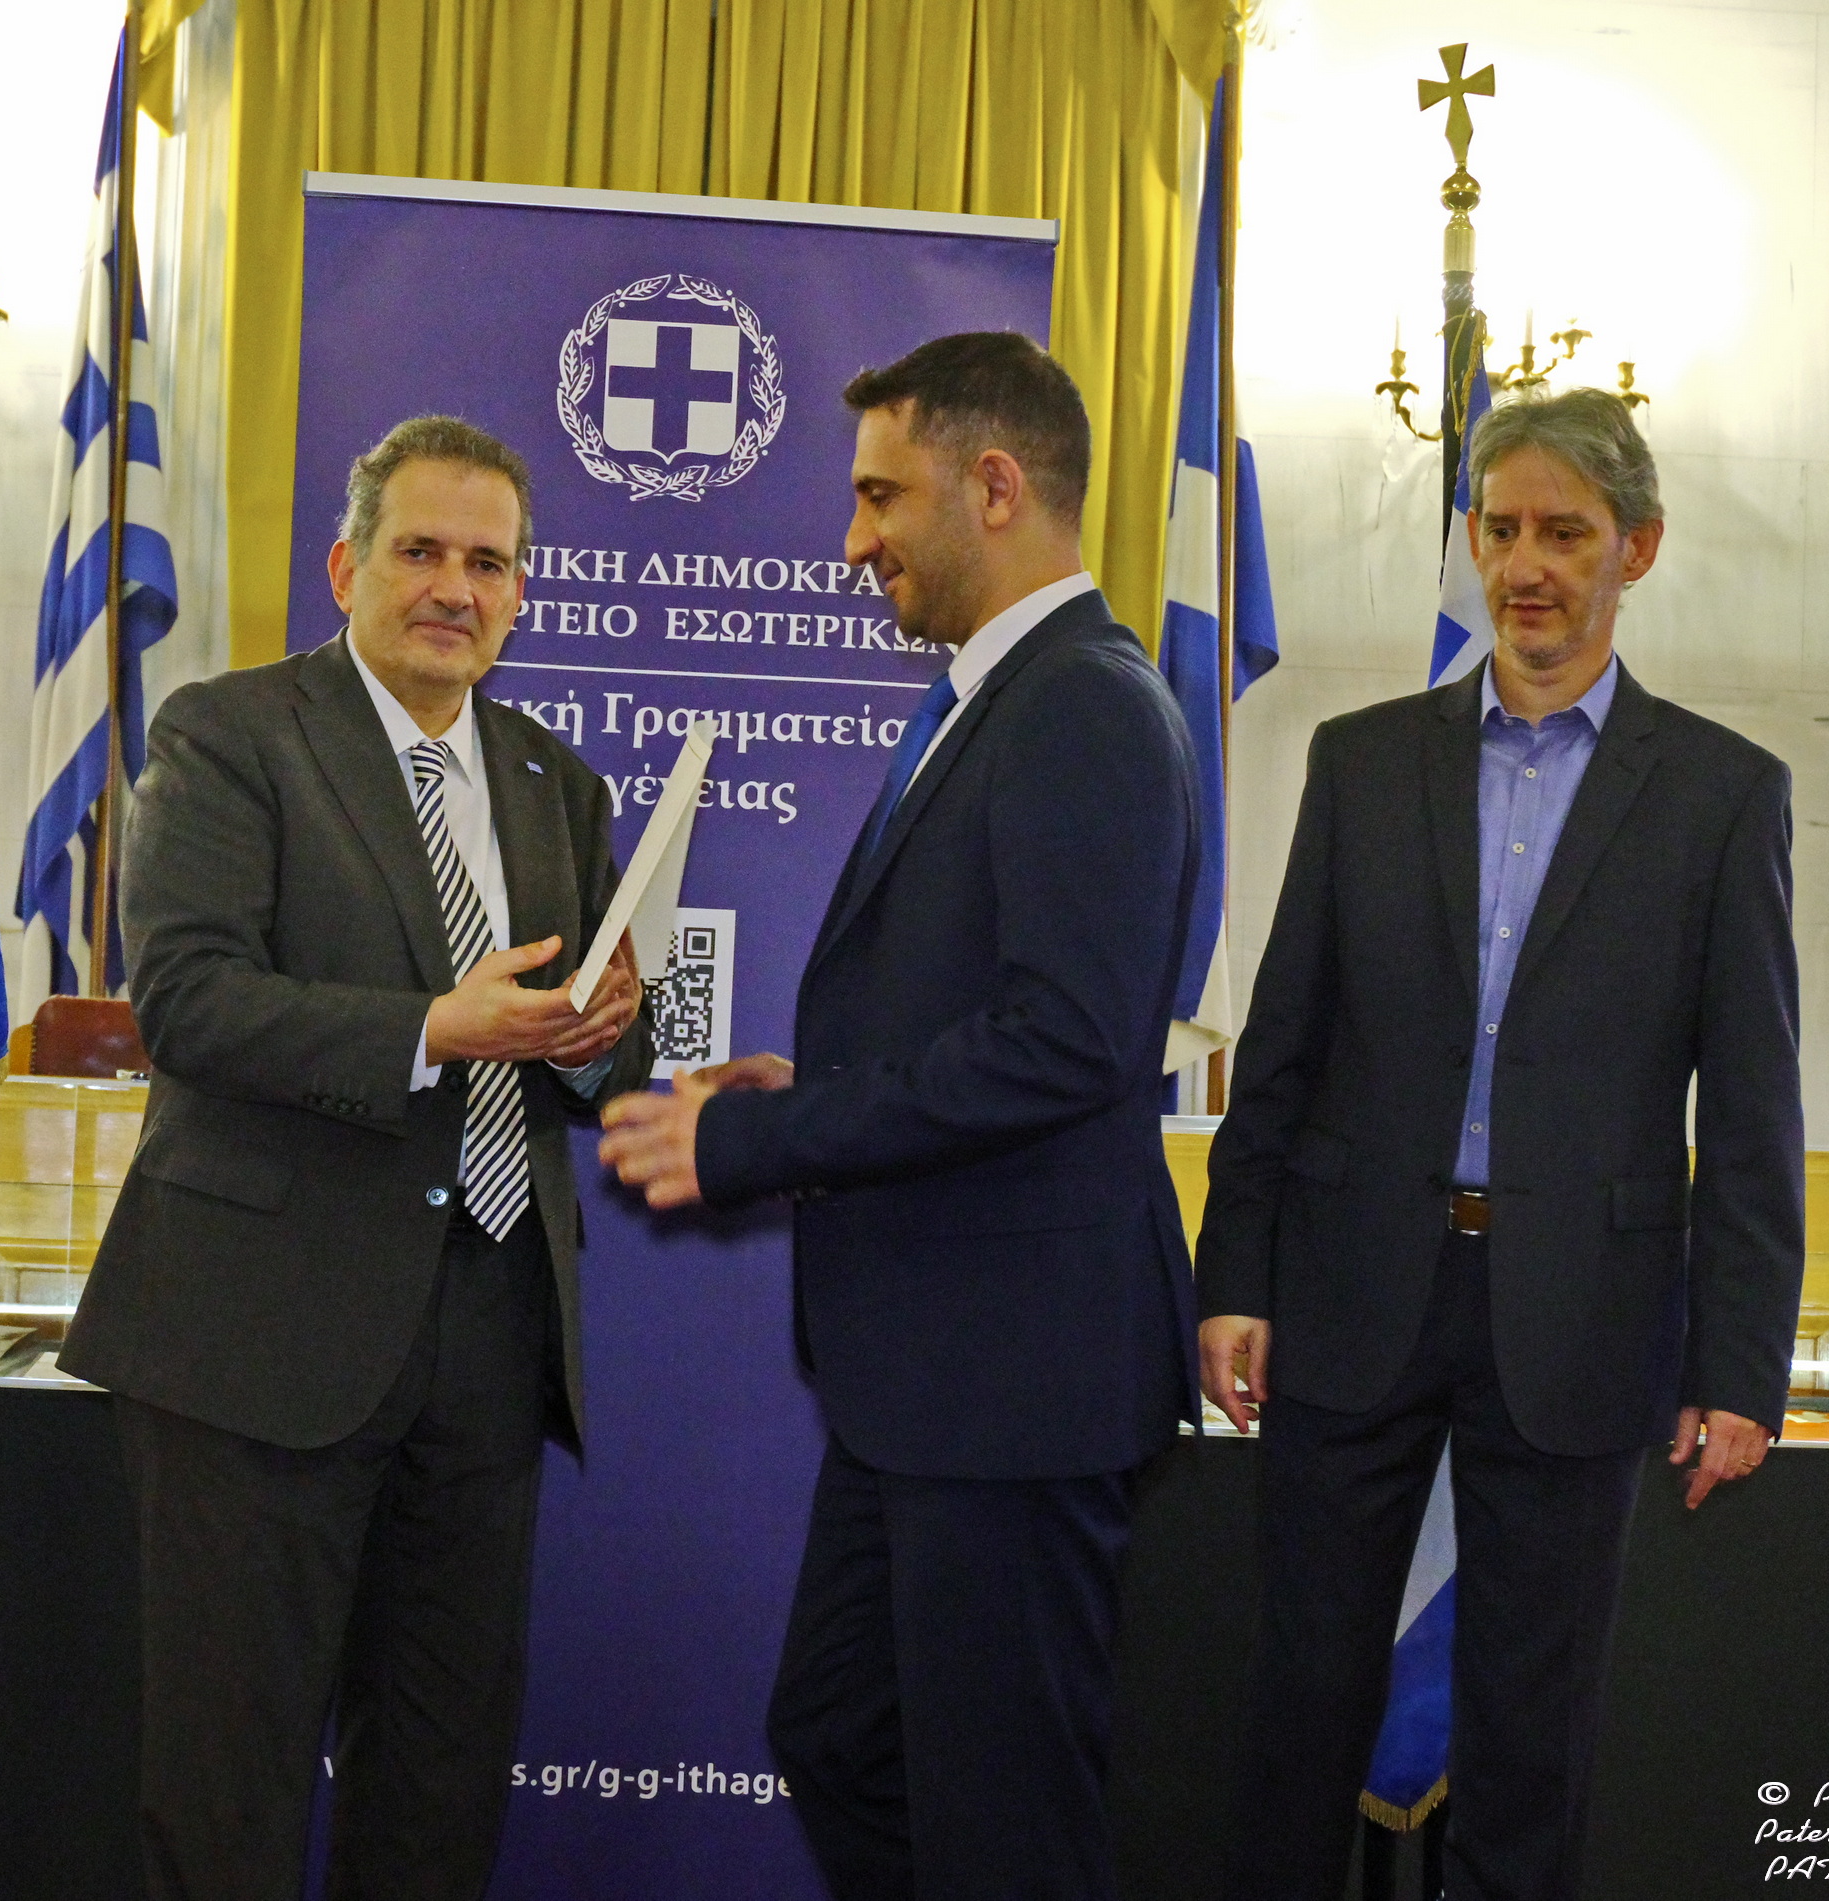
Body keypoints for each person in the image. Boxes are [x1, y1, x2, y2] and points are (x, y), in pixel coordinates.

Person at [598, 331, 1201, 1901]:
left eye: (881, 495)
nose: (853, 539)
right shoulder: (1000, 699)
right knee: (843, 1734)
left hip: (1013, 1380)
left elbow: (1066, 1043)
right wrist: (810, 1094)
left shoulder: (1081, 705)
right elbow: (989, 1019)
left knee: (1007, 1829)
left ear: (994, 486)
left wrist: (757, 1143)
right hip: (936, 1383)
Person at [1196, 385, 1804, 1900]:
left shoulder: (1725, 795)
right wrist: (1234, 1273)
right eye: (1502, 528)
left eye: (1566, 535)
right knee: (1294, 1716)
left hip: (1580, 1320)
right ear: (1471, 539)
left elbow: (1750, 1107)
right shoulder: (1359, 760)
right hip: (1350, 1296)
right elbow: (1283, 1042)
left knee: (1532, 1747)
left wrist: (1739, 1365)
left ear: (1636, 549)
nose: (1526, 566)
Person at [59, 414, 651, 1901]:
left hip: (493, 1334)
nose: (456, 587)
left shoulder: (557, 784)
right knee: (230, 1787)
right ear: (346, 568)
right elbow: (188, 1002)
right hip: (261, 1335)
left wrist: (603, 1040)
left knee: (442, 1784)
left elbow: (600, 1048)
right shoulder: (231, 735)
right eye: (422, 551)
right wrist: (432, 1029)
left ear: (521, 593)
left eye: (489, 563)